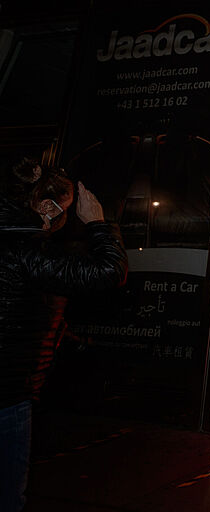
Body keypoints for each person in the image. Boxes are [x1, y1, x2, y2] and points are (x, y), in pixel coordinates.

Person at [1, 165, 127, 511]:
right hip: (7, 395)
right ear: (45, 207)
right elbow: (108, 271)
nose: (66, 217)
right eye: (65, 208)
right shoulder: (26, 247)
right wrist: (99, 224)